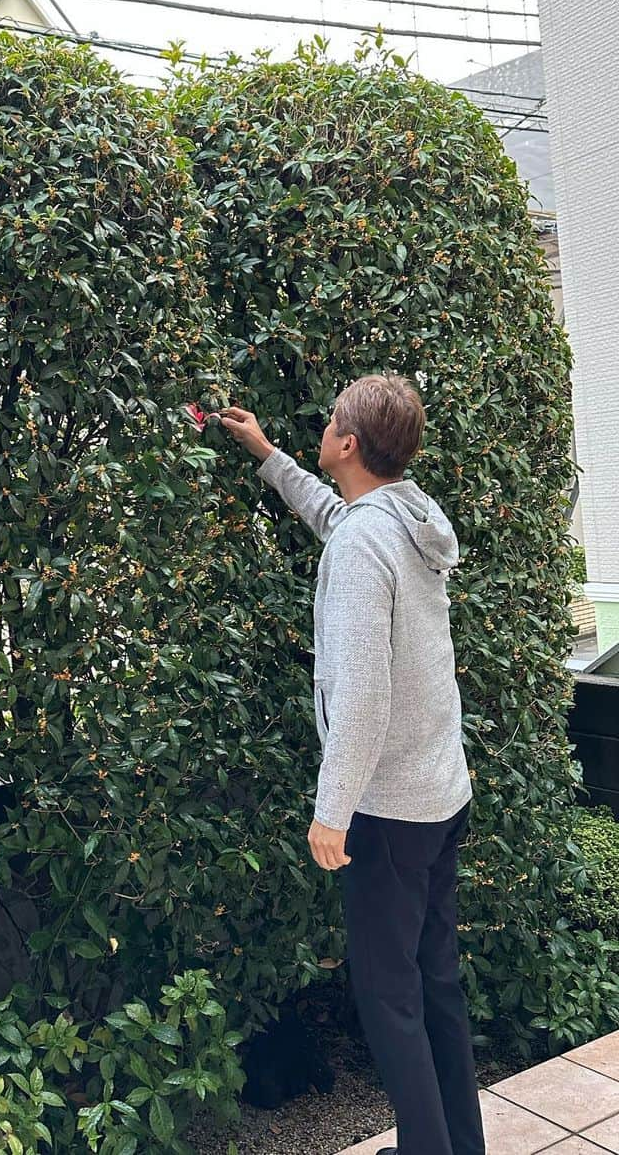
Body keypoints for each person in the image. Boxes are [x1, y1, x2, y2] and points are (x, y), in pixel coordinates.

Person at [219, 374, 486, 1155]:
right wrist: (268, 454)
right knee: (435, 985)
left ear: (347, 444)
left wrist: (332, 808)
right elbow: (339, 517)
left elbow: (364, 692)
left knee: (387, 996)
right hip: (440, 793)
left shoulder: (369, 543)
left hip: (392, 810)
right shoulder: (401, 515)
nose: (325, 427)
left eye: (332, 420)